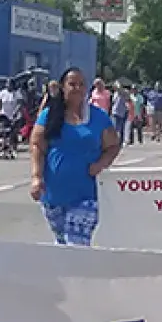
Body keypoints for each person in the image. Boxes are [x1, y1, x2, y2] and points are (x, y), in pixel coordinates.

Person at [29, 67, 121, 245]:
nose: (77, 88)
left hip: (86, 194)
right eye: (72, 84)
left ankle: (78, 272)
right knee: (62, 243)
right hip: (53, 194)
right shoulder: (49, 115)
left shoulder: (98, 117)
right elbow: (37, 145)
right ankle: (68, 273)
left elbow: (113, 146)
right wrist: (36, 177)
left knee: (76, 244)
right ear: (63, 87)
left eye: (81, 84)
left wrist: (101, 164)